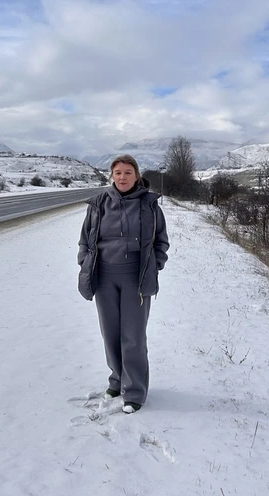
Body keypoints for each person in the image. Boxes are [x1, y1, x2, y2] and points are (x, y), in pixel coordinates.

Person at [77, 154, 169, 414]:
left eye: (128, 172)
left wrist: (155, 264)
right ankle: (117, 381)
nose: (122, 177)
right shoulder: (98, 205)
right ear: (111, 176)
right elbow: (85, 239)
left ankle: (135, 391)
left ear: (136, 176)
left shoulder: (149, 206)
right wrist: (84, 261)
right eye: (117, 172)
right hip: (104, 277)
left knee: (133, 336)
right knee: (111, 334)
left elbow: (161, 242)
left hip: (135, 279)